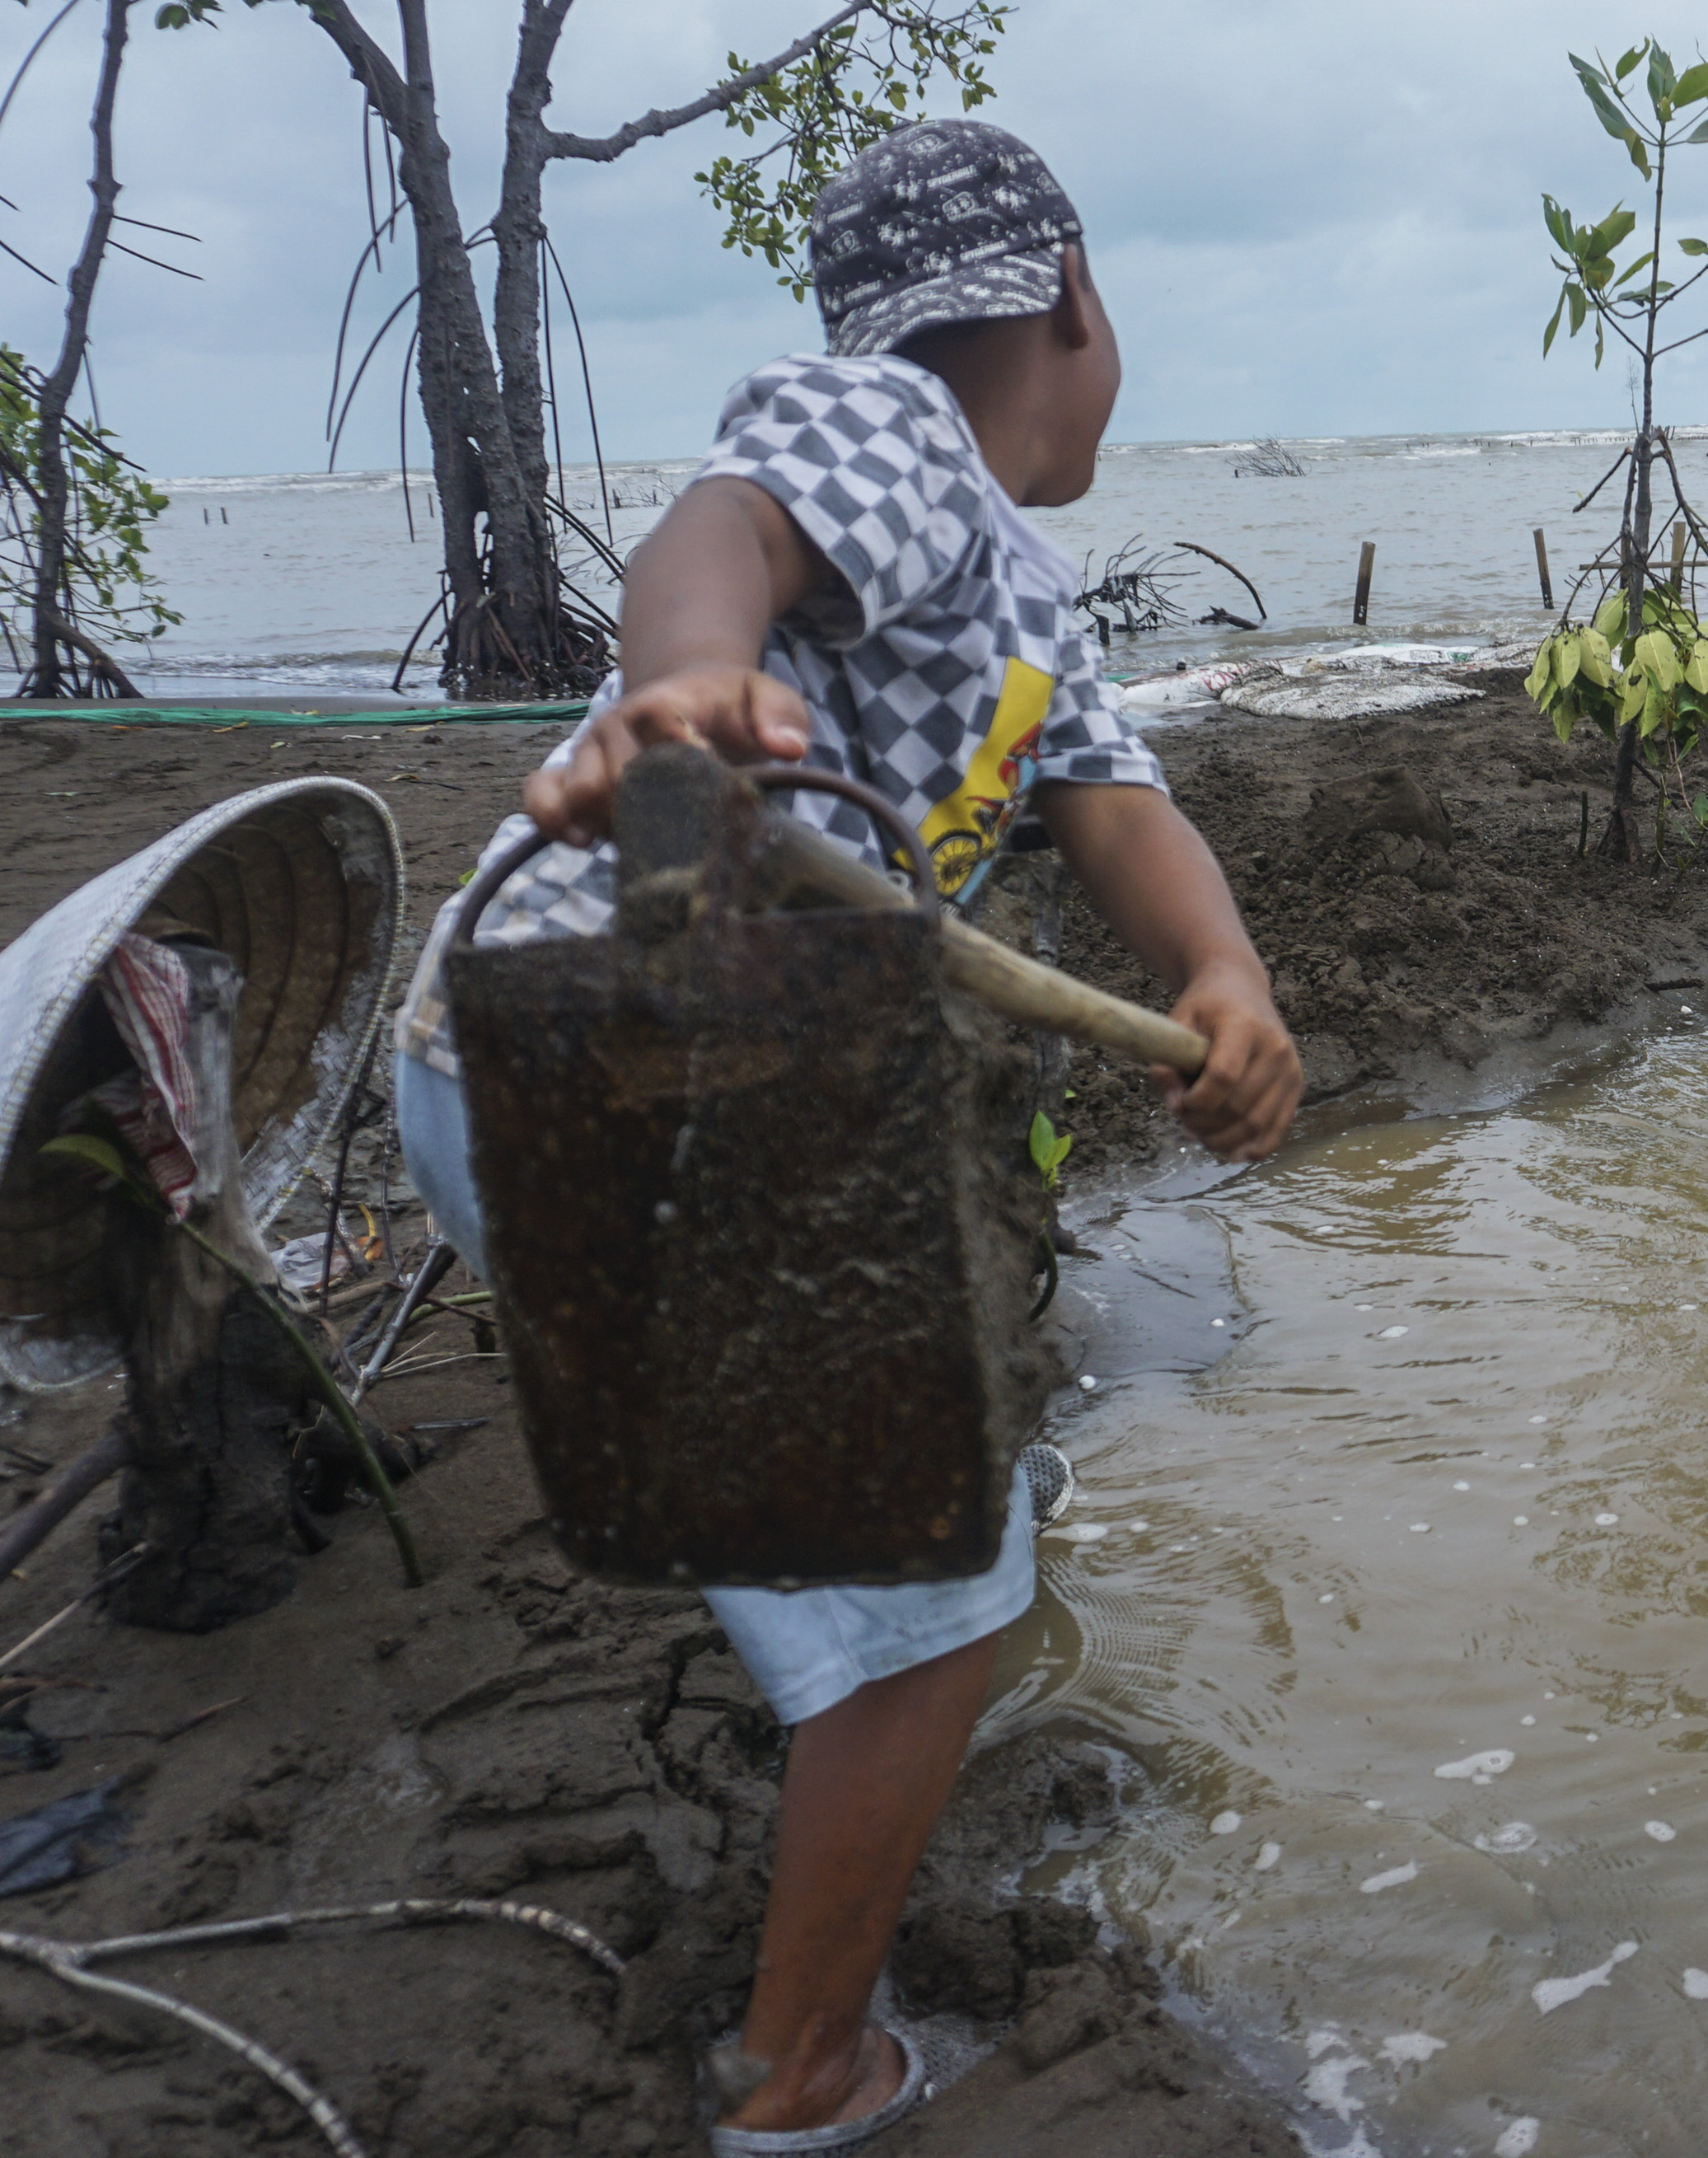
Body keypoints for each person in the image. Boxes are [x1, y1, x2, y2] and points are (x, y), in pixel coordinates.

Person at [386, 120, 1302, 2148]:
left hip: (592, 1067)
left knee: (906, 1514)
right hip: (635, 1052)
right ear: (1075, 290)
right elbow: (719, 532)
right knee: (940, 1608)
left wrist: (1220, 973)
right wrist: (691, 684)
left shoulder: (1029, 592)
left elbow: (1116, 800)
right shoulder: (893, 432)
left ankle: (826, 1626)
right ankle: (803, 2071)